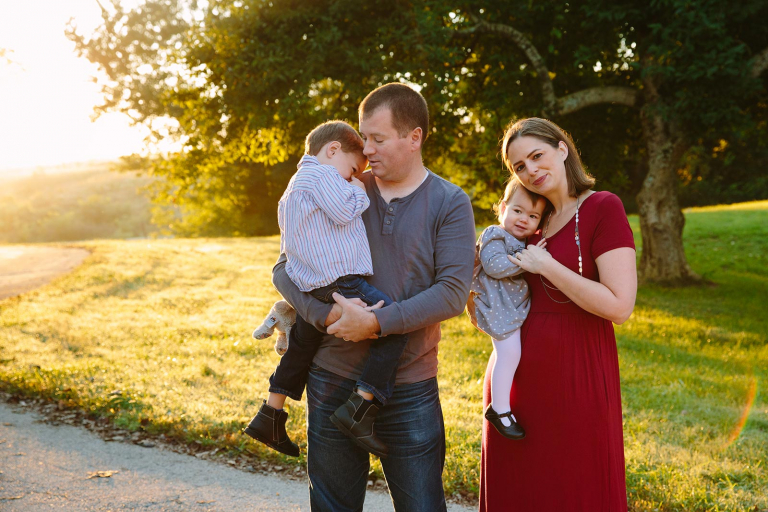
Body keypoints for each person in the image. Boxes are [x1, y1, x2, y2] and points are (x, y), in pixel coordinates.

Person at [272, 83, 476, 511]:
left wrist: (378, 323)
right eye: (364, 138)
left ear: (414, 137)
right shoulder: (340, 187)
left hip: (409, 386)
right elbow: (284, 266)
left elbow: (453, 293)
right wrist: (324, 315)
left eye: (377, 139)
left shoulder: (449, 202)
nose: (366, 149)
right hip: (331, 376)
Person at [479, 117, 637, 511]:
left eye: (537, 156)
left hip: (576, 371)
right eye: (519, 167)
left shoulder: (603, 207)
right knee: (518, 488)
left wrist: (547, 265)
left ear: (562, 149)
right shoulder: (530, 220)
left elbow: (620, 306)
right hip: (515, 377)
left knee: (573, 483)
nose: (530, 171)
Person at [243, 120, 409, 459]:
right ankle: (360, 408)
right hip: (340, 280)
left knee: (303, 344)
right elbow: (344, 209)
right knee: (394, 325)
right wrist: (360, 190)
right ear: (332, 150)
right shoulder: (319, 176)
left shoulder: (296, 185)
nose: (353, 177)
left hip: (315, 282)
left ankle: (270, 415)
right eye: (352, 170)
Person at [470, 180, 548, 440]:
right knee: (509, 354)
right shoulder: (495, 234)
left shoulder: (521, 240)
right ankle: (499, 409)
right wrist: (529, 261)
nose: (524, 219)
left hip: (508, 306)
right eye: (517, 211)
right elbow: (494, 266)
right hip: (495, 306)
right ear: (502, 208)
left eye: (533, 215)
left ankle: (502, 406)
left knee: (512, 354)